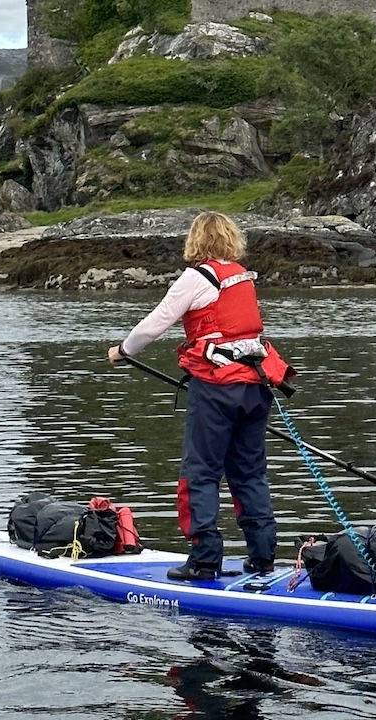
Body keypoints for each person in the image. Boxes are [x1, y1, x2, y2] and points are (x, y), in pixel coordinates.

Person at [108, 211, 295, 580]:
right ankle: (262, 558)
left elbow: (157, 322)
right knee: (249, 473)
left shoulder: (197, 277)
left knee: (201, 473)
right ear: (230, 239)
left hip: (217, 389)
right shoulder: (242, 277)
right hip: (257, 387)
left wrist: (124, 351)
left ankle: (205, 560)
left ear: (196, 240)